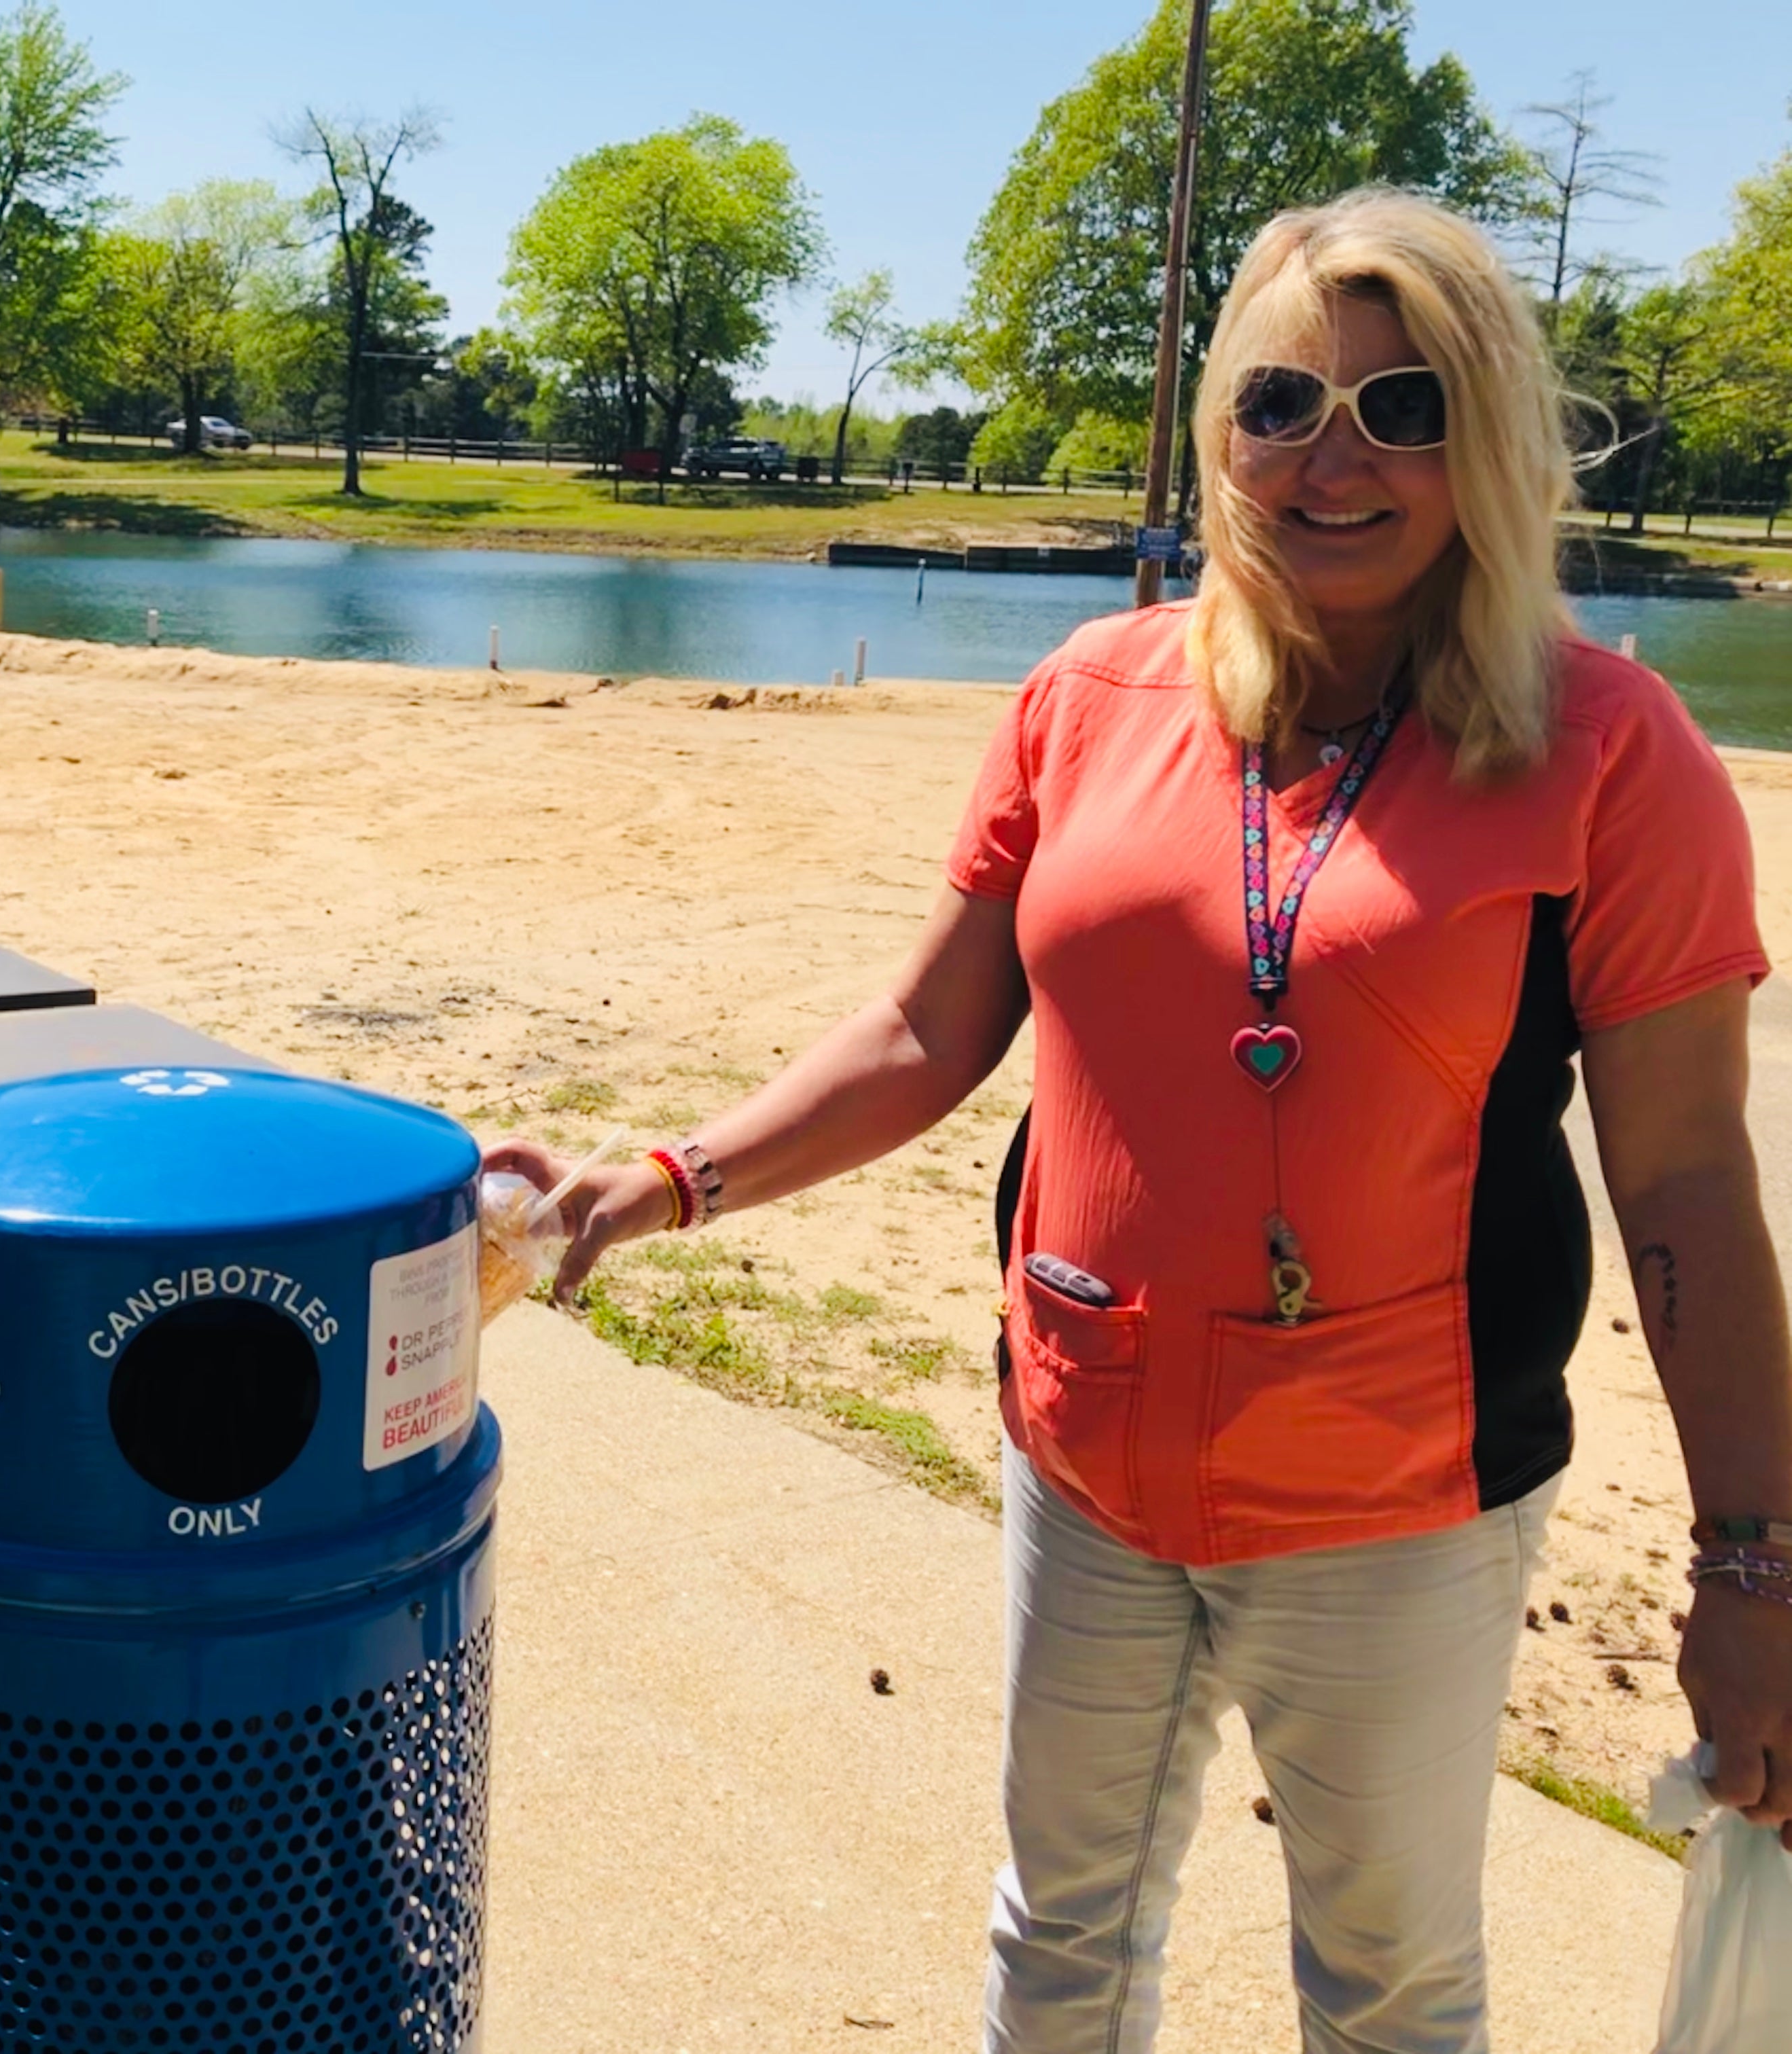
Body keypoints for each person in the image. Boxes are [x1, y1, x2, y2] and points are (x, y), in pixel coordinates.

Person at [485, 187, 1792, 2053]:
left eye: (1404, 406)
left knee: (1392, 1990)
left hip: (1396, 1505)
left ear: (1486, 434)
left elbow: (1684, 1184)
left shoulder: (1604, 750)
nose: (1333, 458)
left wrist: (1754, 1567)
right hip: (1083, 1458)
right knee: (1062, 1937)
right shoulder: (1089, 698)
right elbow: (928, 1031)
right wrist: (674, 1178)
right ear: (1214, 430)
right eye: (1281, 401)